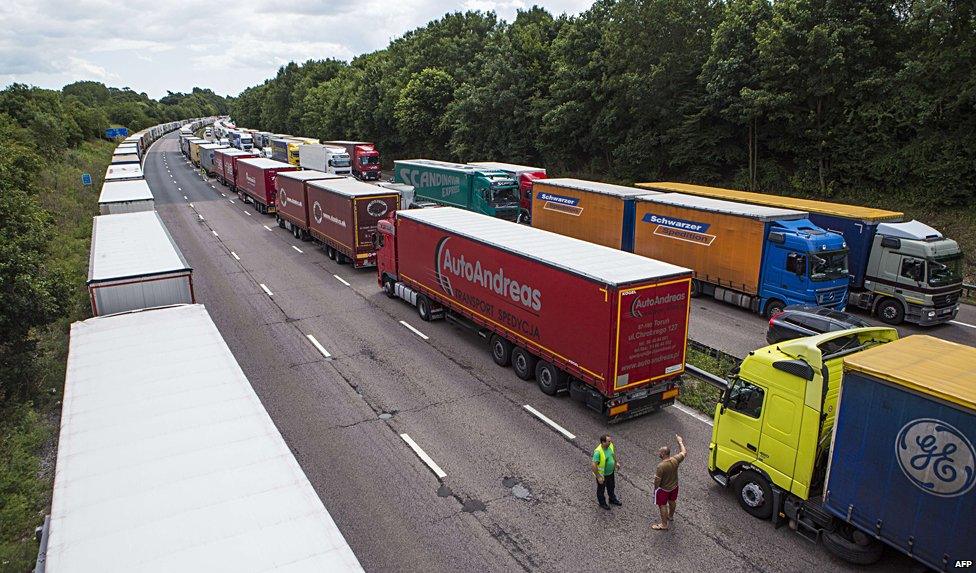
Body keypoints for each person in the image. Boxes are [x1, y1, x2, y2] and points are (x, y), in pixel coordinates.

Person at [652, 434, 686, 530]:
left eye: (660, 452)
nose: (659, 453)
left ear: (663, 454)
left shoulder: (661, 466)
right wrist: (680, 442)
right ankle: (670, 516)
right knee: (672, 501)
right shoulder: (675, 459)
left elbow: (657, 481)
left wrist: (655, 489)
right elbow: (684, 452)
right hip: (674, 486)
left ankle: (664, 524)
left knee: (662, 505)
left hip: (664, 489)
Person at [592, 434, 621, 510]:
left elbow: (612, 454)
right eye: (608, 441)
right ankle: (602, 503)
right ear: (603, 442)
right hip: (602, 475)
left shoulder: (610, 446)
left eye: (610, 440)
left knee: (611, 487)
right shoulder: (598, 452)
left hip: (610, 473)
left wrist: (616, 462)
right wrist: (598, 477)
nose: (610, 442)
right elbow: (593, 466)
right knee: (601, 490)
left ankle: (612, 499)